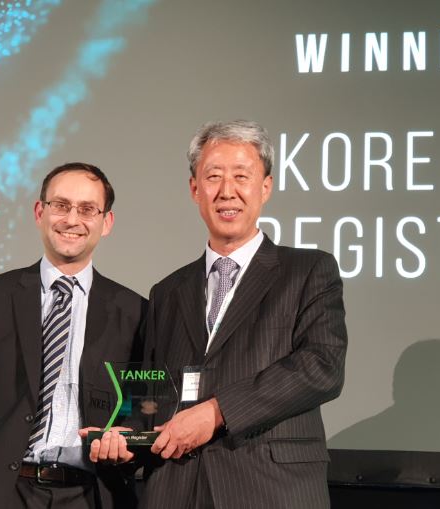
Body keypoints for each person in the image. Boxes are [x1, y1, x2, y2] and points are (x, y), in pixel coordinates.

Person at [140, 120, 348, 509]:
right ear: (194, 189)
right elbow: (152, 391)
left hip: (270, 488)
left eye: (241, 176)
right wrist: (125, 433)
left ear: (265, 187)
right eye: (213, 177)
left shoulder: (308, 271)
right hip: (176, 488)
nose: (226, 191)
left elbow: (322, 367)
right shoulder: (167, 292)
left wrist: (218, 411)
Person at [0, 162, 146, 509]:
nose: (72, 219)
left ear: (106, 223)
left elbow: (142, 405)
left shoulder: (134, 311)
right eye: (61, 205)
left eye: (87, 209)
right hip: (4, 494)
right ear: (39, 212)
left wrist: (125, 441)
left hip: (94, 494)